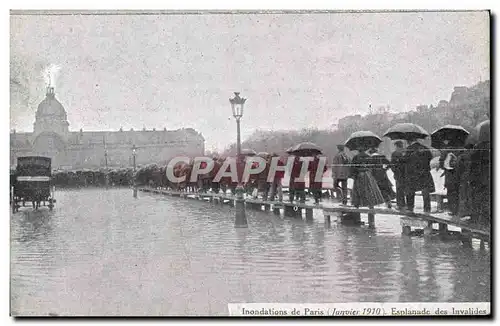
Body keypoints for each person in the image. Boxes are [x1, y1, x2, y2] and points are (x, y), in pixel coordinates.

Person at [404, 137, 435, 213]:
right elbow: (430, 158)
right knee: (425, 191)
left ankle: (410, 208)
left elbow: (405, 161)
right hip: (425, 173)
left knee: (410, 191)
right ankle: (427, 209)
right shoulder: (425, 148)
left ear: (409, 141)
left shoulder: (409, 149)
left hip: (413, 174)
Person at [438, 140, 462, 216]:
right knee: (458, 193)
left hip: (449, 177)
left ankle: (452, 210)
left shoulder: (446, 150)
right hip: (459, 176)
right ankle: (458, 210)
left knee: (451, 194)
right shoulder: (462, 149)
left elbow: (441, 165)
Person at [457, 142, 475, 218]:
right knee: (471, 195)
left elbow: (458, 168)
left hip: (463, 177)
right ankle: (471, 212)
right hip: (472, 177)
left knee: (463, 195)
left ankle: (463, 213)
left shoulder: (461, 157)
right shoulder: (474, 156)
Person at [391, 140, 407, 210]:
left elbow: (392, 165)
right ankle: (407, 204)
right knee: (406, 189)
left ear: (396, 146)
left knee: (399, 190)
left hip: (398, 174)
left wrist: (395, 172)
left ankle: (400, 204)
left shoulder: (394, 154)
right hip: (406, 174)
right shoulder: (405, 153)